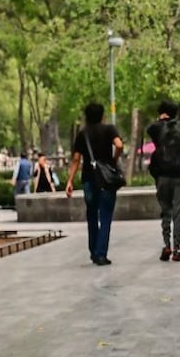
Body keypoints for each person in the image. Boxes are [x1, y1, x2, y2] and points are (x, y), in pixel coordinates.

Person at [65, 102, 124, 266]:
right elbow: (119, 145)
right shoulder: (109, 129)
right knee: (105, 217)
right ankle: (101, 254)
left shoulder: (82, 134)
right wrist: (114, 159)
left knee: (91, 215)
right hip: (106, 179)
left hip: (89, 179)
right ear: (102, 115)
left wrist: (70, 180)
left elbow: (76, 159)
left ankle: (93, 251)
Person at [146, 99, 180, 262]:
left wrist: (161, 120)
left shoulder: (156, 128)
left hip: (162, 175)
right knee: (178, 212)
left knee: (165, 211)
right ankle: (177, 249)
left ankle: (166, 244)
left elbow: (150, 129)